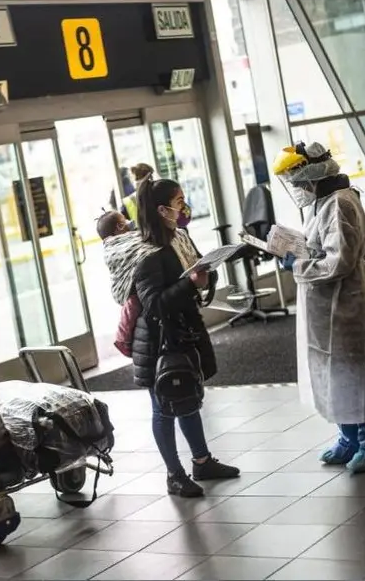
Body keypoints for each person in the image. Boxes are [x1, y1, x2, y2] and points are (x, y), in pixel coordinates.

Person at [272, 142, 365, 474]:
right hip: (326, 304)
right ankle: (350, 436)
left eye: (297, 180)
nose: (297, 188)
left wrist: (298, 266)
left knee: (359, 372)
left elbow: (340, 260)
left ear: (312, 174)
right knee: (335, 373)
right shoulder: (323, 202)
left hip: (348, 302)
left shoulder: (340, 204)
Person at [129, 178, 240, 497]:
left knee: (188, 399)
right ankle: (174, 475)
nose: (183, 206)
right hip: (158, 343)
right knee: (163, 406)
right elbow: (154, 305)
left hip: (181, 334)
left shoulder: (180, 238)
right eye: (178, 201)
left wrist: (208, 272)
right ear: (162, 209)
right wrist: (192, 283)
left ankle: (202, 461)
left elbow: (195, 270)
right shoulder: (148, 253)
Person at [96, 211, 141, 357]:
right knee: (133, 303)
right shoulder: (114, 246)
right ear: (119, 227)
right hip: (125, 286)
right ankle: (123, 337)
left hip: (136, 280)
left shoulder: (131, 237)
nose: (129, 221)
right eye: (124, 220)